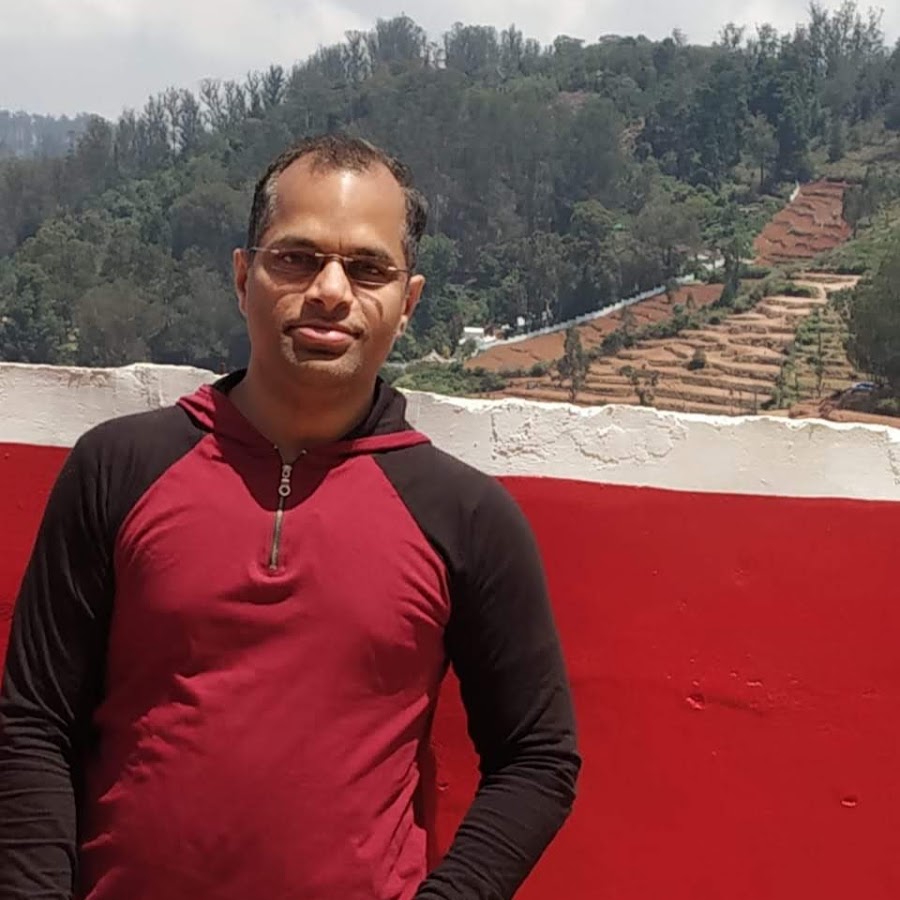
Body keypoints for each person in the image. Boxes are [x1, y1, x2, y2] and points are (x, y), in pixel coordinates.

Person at [0, 134, 580, 899]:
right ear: (244, 277)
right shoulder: (119, 468)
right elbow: (34, 722)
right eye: (297, 259)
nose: (331, 291)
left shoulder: (465, 517)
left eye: (368, 268)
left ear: (408, 302)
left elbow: (538, 758)